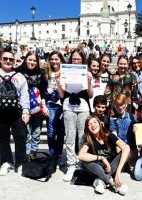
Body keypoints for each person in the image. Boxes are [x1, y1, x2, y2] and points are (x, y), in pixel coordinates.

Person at [0, 50, 30, 175]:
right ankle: (6, 162)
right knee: (4, 138)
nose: (8, 61)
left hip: (16, 111)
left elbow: (24, 95)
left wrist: (26, 111)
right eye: (5, 58)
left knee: (21, 136)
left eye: (11, 59)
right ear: (1, 60)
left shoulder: (20, 76)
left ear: (14, 61)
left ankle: (20, 162)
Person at [57, 48, 93, 182]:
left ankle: (81, 162)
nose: (76, 61)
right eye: (74, 59)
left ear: (83, 60)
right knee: (70, 136)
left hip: (83, 107)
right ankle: (71, 165)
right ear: (70, 59)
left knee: (82, 137)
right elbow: (61, 94)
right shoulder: (64, 71)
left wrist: (89, 81)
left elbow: (90, 95)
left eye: (78, 59)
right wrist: (57, 81)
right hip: (68, 106)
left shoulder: (86, 72)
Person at [78, 115, 130, 195]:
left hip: (112, 166)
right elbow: (81, 156)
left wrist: (118, 172)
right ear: (87, 128)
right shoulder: (89, 139)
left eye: (95, 122)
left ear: (100, 124)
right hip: (97, 167)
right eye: (89, 124)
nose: (93, 125)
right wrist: (101, 158)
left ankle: (100, 180)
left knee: (126, 152)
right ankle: (114, 184)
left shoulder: (109, 135)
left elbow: (126, 148)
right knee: (85, 160)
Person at [16, 51, 47, 159]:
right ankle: (27, 152)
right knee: (27, 131)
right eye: (30, 59)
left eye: (34, 60)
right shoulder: (18, 71)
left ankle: (33, 152)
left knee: (37, 131)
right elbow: (7, 71)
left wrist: (43, 104)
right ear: (26, 60)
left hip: (37, 107)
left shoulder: (41, 73)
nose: (32, 62)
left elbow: (43, 90)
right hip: (24, 106)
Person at [43, 51, 66, 158]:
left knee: (61, 131)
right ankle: (52, 154)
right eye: (52, 59)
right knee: (51, 131)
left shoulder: (65, 71)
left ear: (61, 59)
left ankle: (59, 154)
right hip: (50, 104)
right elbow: (42, 89)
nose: (54, 61)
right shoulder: (46, 72)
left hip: (62, 104)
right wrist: (43, 105)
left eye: (56, 59)